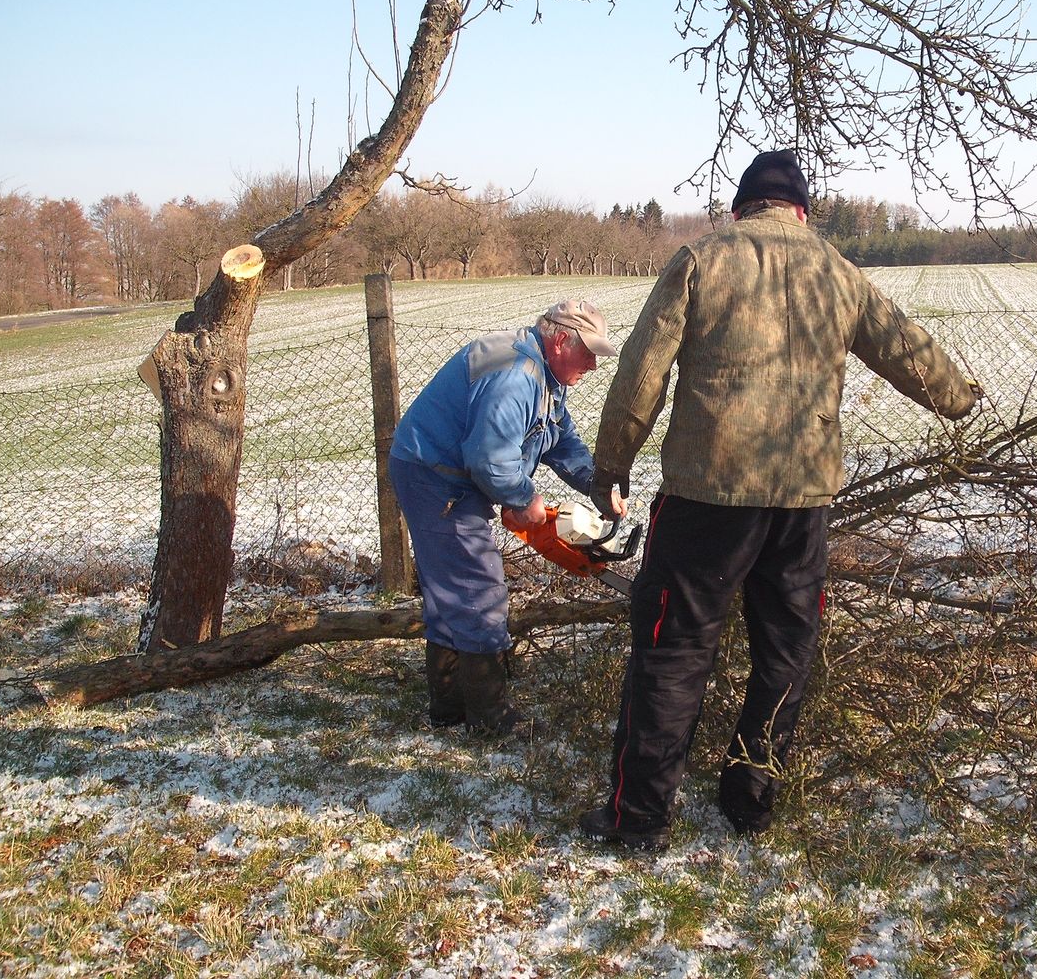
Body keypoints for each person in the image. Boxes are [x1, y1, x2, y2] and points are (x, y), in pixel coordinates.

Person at [578, 150, 982, 850]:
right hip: (801, 507)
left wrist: (612, 462)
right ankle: (750, 797)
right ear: (801, 210)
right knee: (784, 655)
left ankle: (638, 817)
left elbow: (642, 371)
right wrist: (959, 400)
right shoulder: (837, 271)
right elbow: (906, 348)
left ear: (741, 209)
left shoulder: (702, 259)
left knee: (672, 652)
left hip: (706, 497)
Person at [390, 299, 625, 735]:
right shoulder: (517, 376)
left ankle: (451, 705)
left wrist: (598, 485)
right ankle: (490, 717)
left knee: (452, 589)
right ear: (560, 340)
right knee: (478, 587)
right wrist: (522, 497)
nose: (593, 365)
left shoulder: (546, 375)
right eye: (589, 353)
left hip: (444, 471)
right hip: (435, 474)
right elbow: (489, 460)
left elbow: (559, 440)